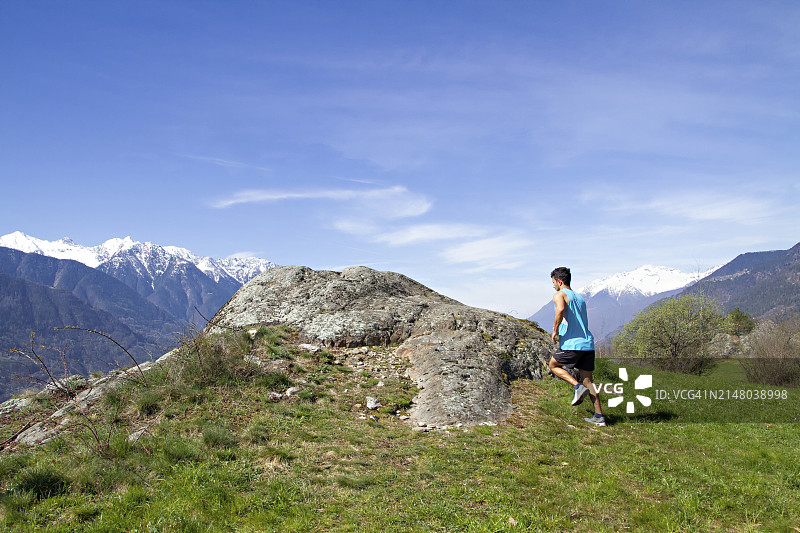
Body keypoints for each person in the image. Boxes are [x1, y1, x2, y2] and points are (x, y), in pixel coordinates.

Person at [548, 267, 606, 427]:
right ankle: (599, 416)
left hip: (572, 343)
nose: (553, 286)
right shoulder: (580, 298)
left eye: (553, 283)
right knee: (589, 380)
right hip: (588, 344)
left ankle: (576, 387)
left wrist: (555, 330)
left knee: (553, 365)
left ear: (559, 282)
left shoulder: (559, 295)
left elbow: (560, 309)